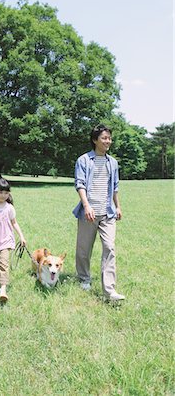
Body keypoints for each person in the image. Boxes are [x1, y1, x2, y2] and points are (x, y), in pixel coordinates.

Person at [72, 124, 125, 301]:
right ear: (95, 140)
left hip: (107, 213)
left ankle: (109, 290)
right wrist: (86, 206)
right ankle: (84, 278)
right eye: (104, 138)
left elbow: (115, 187)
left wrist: (117, 206)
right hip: (90, 212)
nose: (108, 141)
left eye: (109, 138)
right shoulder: (84, 160)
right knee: (84, 249)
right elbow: (80, 184)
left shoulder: (113, 163)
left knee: (109, 247)